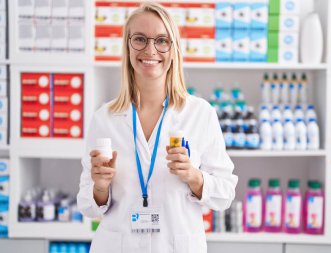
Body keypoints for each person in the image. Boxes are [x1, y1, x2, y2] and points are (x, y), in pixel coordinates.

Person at [77, 2, 238, 253]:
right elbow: (87, 205)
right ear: (128, 46)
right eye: (140, 39)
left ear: (173, 49)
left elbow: (225, 194)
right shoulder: (105, 118)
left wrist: (194, 176)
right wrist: (99, 187)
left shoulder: (200, 114)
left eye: (162, 40)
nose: (150, 49)